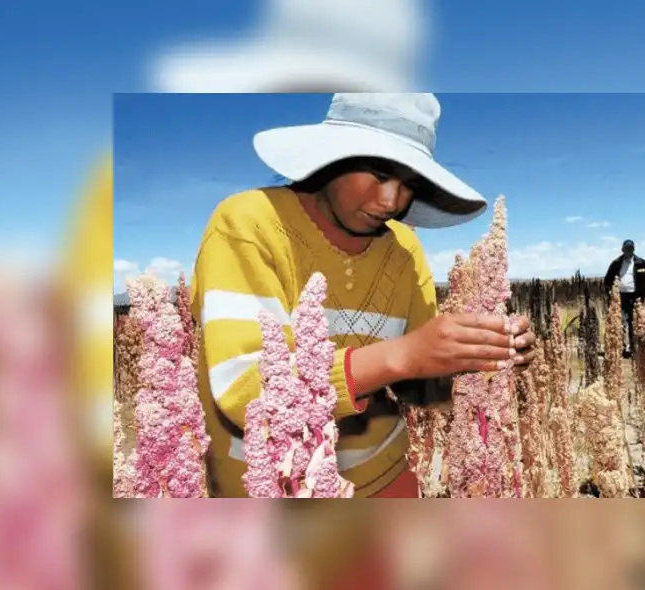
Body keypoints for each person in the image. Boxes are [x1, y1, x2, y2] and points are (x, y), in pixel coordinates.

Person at [190, 93, 538, 498]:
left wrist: (478, 359)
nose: (390, 201)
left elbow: (418, 385)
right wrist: (402, 355)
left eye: (409, 186)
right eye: (377, 173)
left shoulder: (404, 249)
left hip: (385, 478)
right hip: (273, 487)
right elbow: (245, 389)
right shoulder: (248, 225)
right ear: (332, 157)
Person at [603, 239, 645, 358]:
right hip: (621, 296)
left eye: (630, 248)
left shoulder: (642, 263)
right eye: (626, 248)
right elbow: (607, 280)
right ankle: (621, 348)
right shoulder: (616, 263)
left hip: (636, 297)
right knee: (620, 322)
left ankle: (634, 349)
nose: (628, 250)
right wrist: (611, 293)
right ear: (622, 249)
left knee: (634, 323)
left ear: (634, 249)